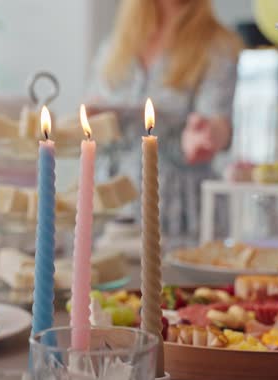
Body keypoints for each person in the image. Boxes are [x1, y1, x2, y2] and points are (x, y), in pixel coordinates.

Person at [87, 0, 243, 238]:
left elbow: (217, 121)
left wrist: (207, 134)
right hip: (111, 206)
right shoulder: (116, 45)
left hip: (176, 207)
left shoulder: (217, 45)